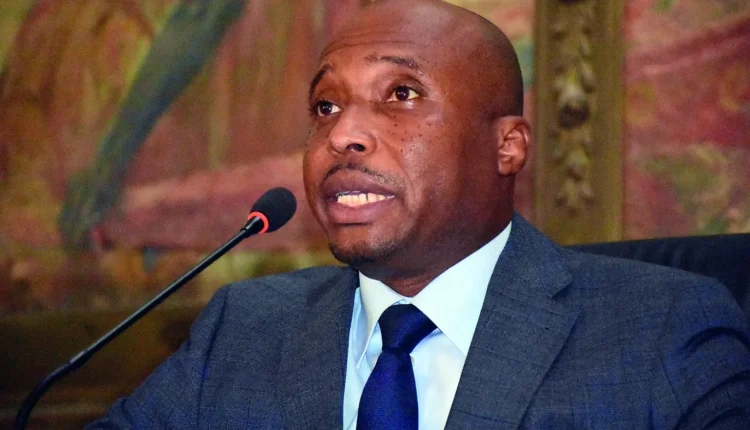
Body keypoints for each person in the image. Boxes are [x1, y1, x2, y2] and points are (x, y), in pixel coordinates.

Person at [88, 0, 750, 428]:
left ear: (507, 146)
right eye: (325, 107)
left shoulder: (663, 330)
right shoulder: (246, 328)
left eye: (401, 94)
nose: (343, 134)